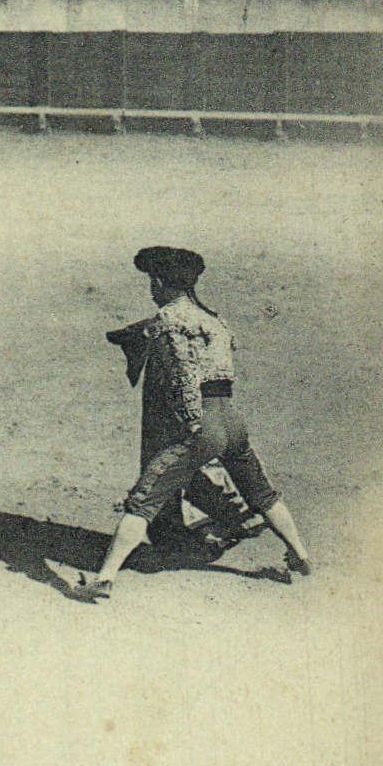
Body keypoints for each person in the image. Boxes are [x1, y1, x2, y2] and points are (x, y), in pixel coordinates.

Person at [75, 247, 313, 601]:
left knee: (144, 499)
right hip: (232, 419)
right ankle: (300, 555)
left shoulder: (166, 322)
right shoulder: (214, 320)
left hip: (202, 422)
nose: (150, 290)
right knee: (261, 492)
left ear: (158, 282)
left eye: (150, 283)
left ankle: (105, 579)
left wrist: (189, 428)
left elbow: (183, 378)